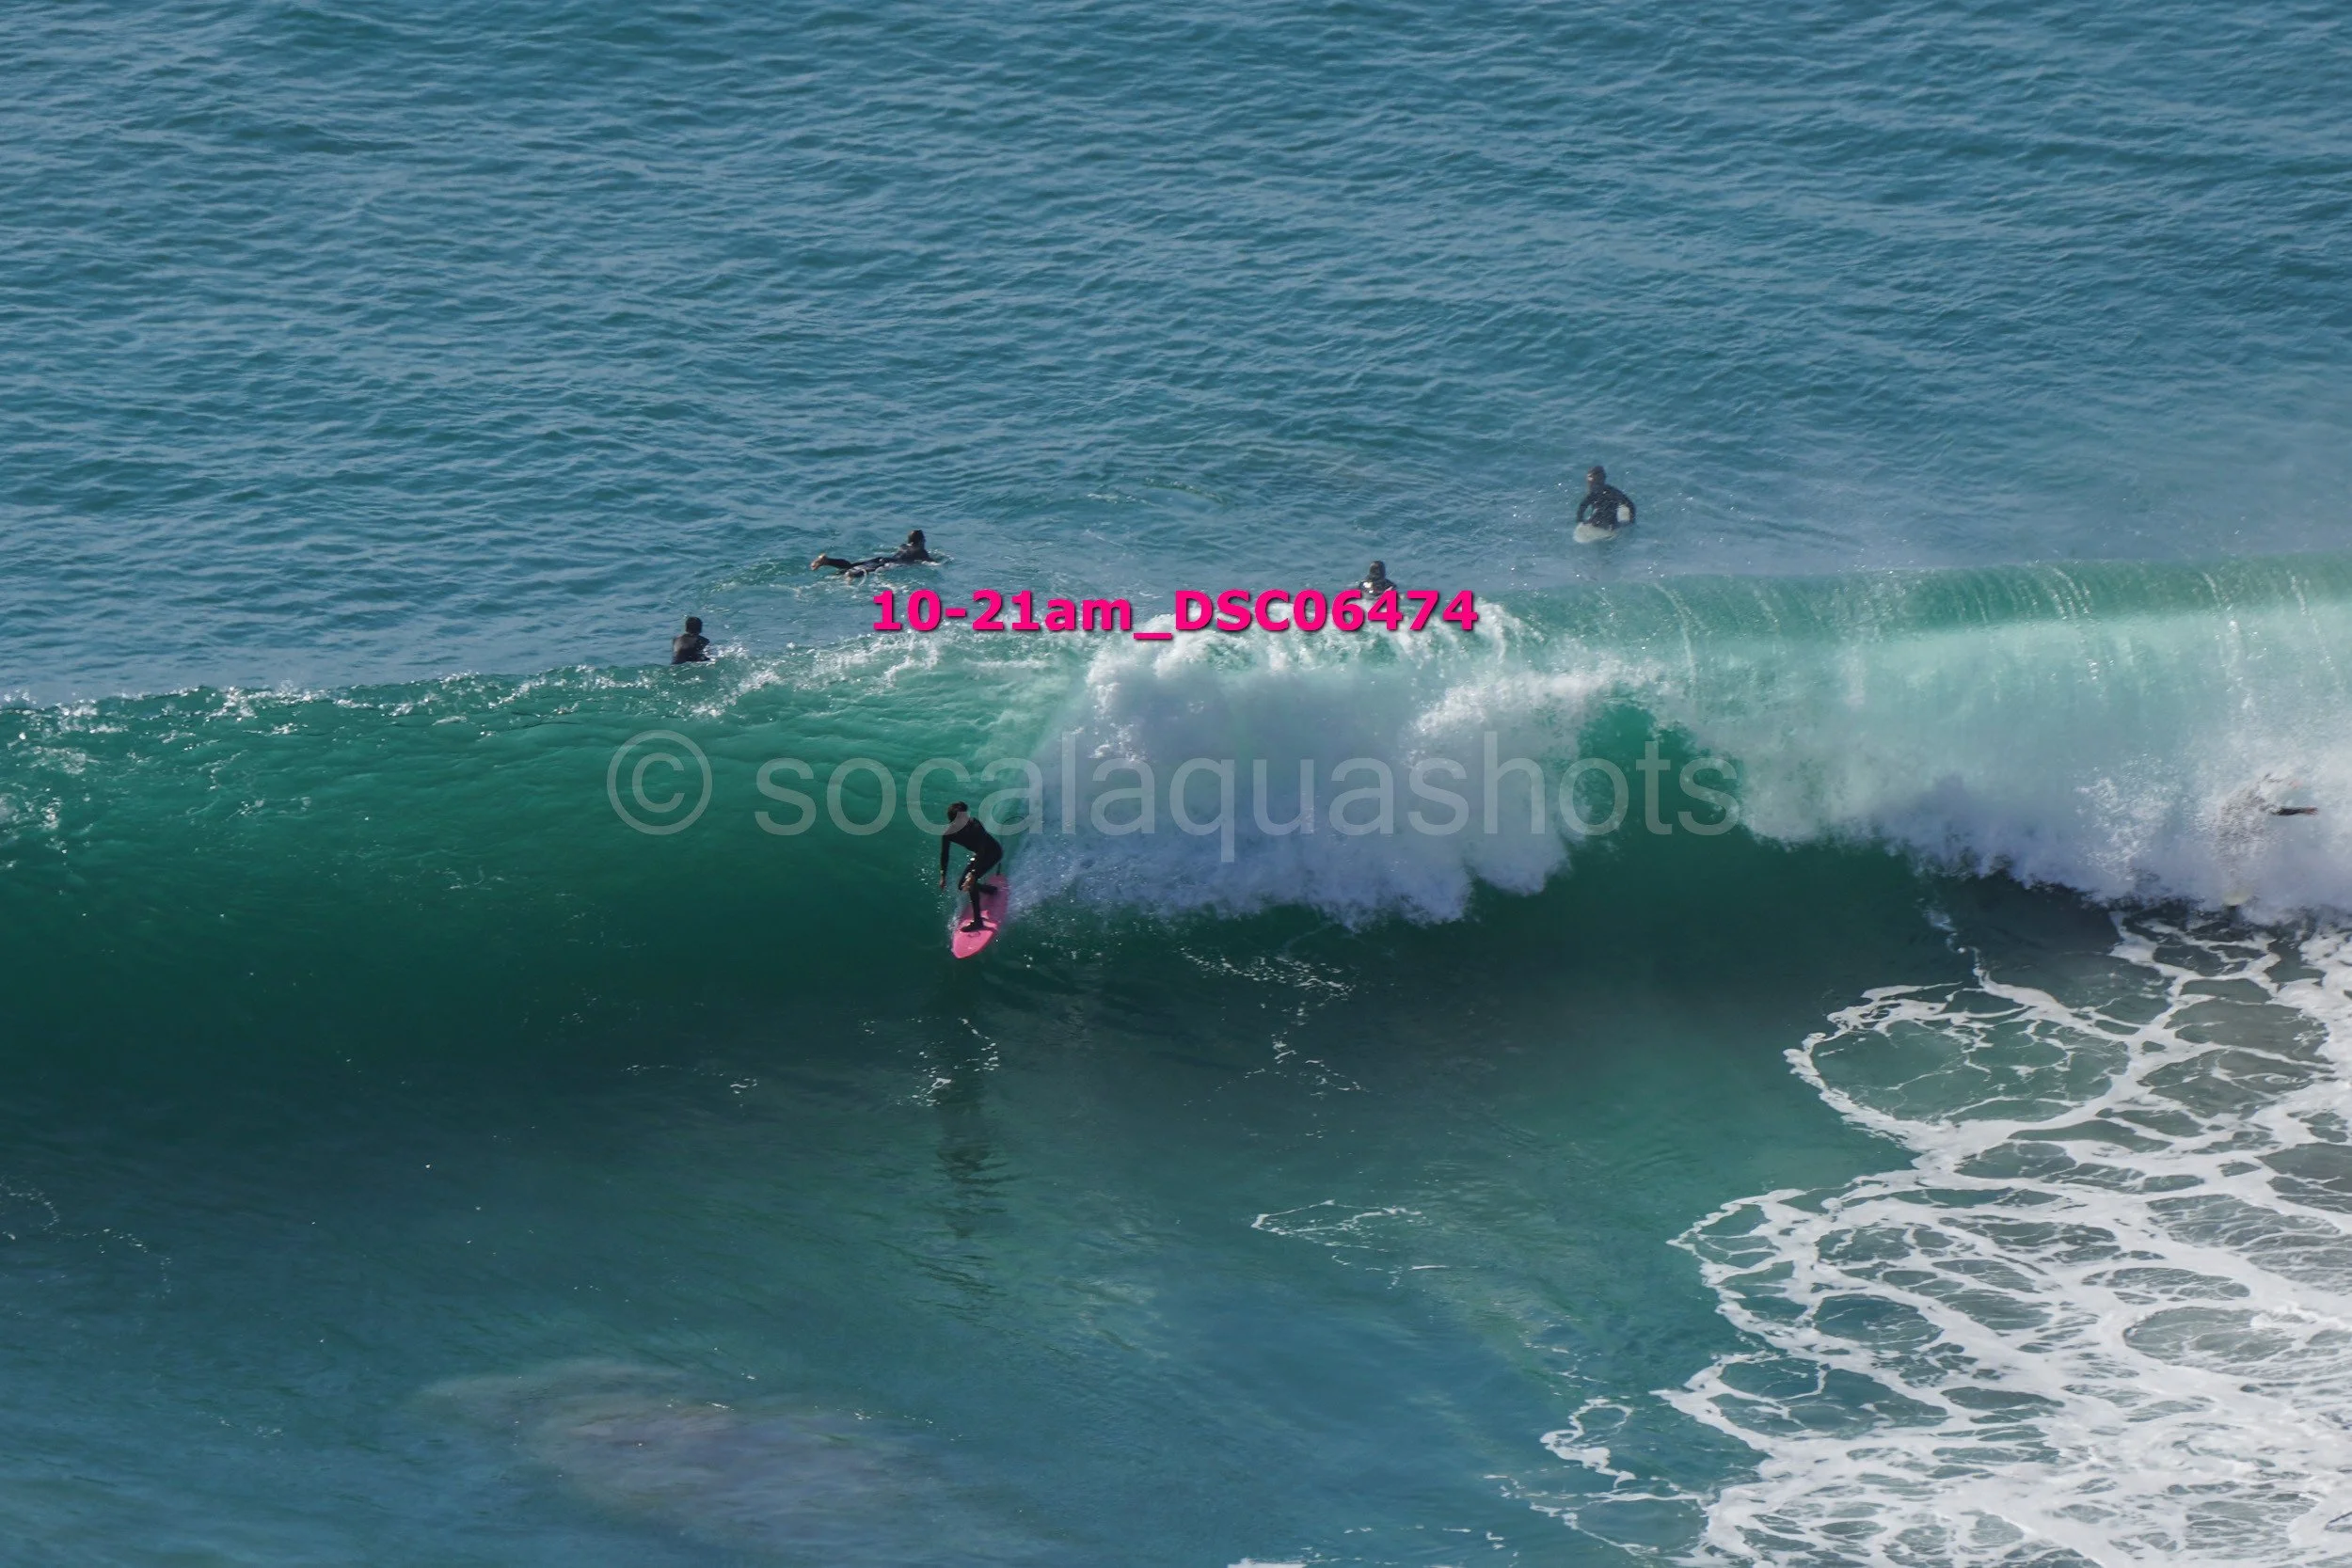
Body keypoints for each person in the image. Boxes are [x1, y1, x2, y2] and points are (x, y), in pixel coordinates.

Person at [938, 801, 1004, 932]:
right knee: (962, 884)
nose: (968, 818)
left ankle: (978, 922)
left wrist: (973, 875)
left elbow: (981, 851)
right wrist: (943, 875)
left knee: (971, 883)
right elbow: (945, 854)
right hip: (980, 855)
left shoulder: (975, 826)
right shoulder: (949, 834)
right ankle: (990, 890)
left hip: (993, 853)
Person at [811, 529, 936, 577]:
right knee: (867, 571)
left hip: (883, 558)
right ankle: (852, 575)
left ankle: (828, 561)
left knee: (852, 565)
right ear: (920, 541)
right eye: (924, 540)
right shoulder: (921, 551)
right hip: (892, 564)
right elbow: (930, 562)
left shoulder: (903, 546)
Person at [1575, 467, 1637, 531]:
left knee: (1598, 515)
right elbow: (1631, 505)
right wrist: (1631, 521)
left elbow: (1582, 507)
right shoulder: (1614, 491)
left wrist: (1580, 521)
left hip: (1597, 523)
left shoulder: (1593, 494)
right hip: (1613, 525)